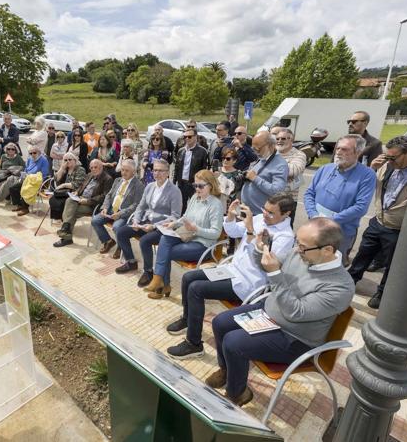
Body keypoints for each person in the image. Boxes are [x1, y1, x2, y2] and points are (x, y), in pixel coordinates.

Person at [205, 218, 354, 407]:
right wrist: (261, 250)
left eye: (303, 246)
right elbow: (268, 266)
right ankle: (228, 371)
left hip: (294, 337)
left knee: (233, 342)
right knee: (220, 322)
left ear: (327, 250)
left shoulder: (341, 286)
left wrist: (275, 274)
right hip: (269, 312)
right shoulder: (304, 252)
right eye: (297, 243)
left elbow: (296, 313)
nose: (297, 249)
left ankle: (237, 393)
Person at [165, 194, 295, 359]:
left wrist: (249, 232)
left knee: (196, 289)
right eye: (264, 209)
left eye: (271, 213)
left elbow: (267, 264)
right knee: (189, 277)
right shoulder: (259, 219)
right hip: (232, 270)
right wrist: (231, 216)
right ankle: (187, 319)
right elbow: (232, 232)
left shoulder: (285, 237)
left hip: (248, 283)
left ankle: (194, 344)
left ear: (286, 214)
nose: (265, 215)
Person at [348, 135, 407, 309]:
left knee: (393, 265)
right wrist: (372, 168)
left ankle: (382, 292)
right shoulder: (386, 166)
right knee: (363, 254)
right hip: (378, 222)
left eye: (393, 157)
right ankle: (350, 280)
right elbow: (366, 186)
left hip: (399, 229)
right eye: (387, 156)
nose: (390, 161)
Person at [145, 170, 225, 299]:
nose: (197, 189)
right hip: (187, 236)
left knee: (165, 252)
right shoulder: (194, 197)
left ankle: (162, 284)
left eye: (200, 186)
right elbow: (185, 217)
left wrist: (196, 229)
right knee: (165, 239)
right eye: (195, 185)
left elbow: (216, 233)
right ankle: (159, 280)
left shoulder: (216, 205)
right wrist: (173, 224)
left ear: (210, 185)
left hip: (202, 245)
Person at [304, 134, 376, 260]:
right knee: (308, 259)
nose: (339, 152)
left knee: (331, 267)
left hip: (340, 232)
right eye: (338, 148)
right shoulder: (325, 168)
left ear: (357, 152)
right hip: (315, 224)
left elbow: (361, 207)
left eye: (345, 149)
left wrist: (331, 220)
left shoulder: (367, 175)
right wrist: (313, 214)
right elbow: (309, 193)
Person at [115, 159, 182, 283]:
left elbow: (175, 216)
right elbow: (141, 206)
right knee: (121, 232)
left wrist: (155, 226)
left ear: (168, 173)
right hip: (145, 222)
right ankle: (131, 262)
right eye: (155, 170)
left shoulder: (174, 191)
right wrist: (136, 221)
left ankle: (148, 271)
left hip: (162, 228)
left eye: (161, 171)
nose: (157, 173)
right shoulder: (150, 186)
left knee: (145, 241)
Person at [92, 159, 144, 257]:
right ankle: (108, 241)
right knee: (95, 220)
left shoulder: (138, 185)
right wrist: (105, 207)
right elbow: (109, 195)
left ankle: (121, 246)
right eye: (122, 170)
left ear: (134, 171)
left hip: (124, 214)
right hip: (111, 210)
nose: (123, 172)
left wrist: (120, 214)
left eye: (126, 170)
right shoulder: (117, 180)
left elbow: (136, 205)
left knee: (117, 227)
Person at [54, 159, 113, 247]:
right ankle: (66, 232)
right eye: (91, 167)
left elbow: (104, 196)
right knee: (69, 201)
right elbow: (82, 186)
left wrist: (87, 201)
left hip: (92, 204)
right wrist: (77, 192)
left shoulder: (107, 179)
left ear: (101, 167)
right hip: (80, 199)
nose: (93, 169)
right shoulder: (89, 175)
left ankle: (66, 236)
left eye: (95, 167)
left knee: (70, 211)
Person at [240, 131, 288, 215]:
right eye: (253, 149)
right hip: (246, 210)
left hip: (259, 216)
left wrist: (255, 178)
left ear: (271, 145)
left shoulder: (280, 164)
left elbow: (277, 191)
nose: (255, 152)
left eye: (258, 149)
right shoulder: (262, 157)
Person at [173, 129, 209, 213]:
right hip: (181, 183)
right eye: (185, 137)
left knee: (197, 205)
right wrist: (174, 181)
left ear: (195, 137)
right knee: (181, 205)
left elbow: (204, 170)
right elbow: (177, 167)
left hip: (195, 184)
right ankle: (181, 223)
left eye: (189, 137)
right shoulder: (181, 151)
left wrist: (201, 184)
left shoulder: (203, 151)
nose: (187, 139)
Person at [275, 128, 307, 224]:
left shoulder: (299, 154)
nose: (280, 141)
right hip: (270, 199)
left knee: (284, 230)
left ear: (291, 140)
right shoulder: (273, 153)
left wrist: (273, 165)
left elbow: (293, 171)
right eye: (277, 139)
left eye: (283, 138)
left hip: (287, 201)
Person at [9, 145, 50, 216]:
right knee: (13, 188)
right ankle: (20, 205)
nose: (32, 155)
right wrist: (24, 175)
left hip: (37, 181)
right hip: (27, 179)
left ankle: (25, 208)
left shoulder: (44, 160)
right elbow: (26, 169)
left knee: (26, 189)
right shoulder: (29, 159)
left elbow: (44, 174)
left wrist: (32, 178)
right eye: (30, 153)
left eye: (34, 153)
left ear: (39, 152)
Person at [49, 151, 87, 221]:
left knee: (61, 201)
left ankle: (63, 218)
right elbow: (56, 179)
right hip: (64, 191)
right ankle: (58, 217)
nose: (67, 161)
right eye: (65, 160)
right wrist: (62, 168)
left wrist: (63, 185)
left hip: (74, 192)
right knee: (52, 199)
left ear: (75, 160)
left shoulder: (80, 169)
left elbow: (76, 184)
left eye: (70, 160)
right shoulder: (65, 169)